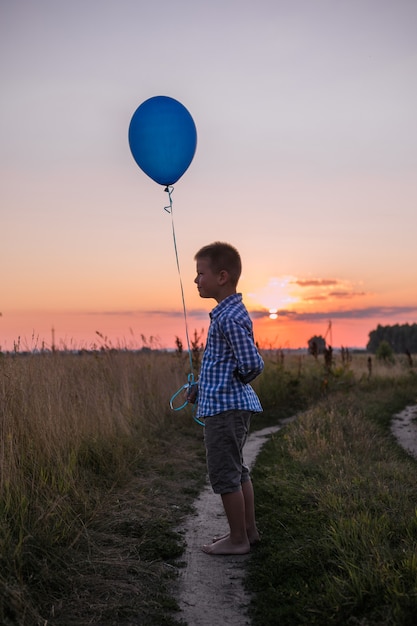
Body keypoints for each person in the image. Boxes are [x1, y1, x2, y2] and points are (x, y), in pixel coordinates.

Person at [189, 242, 264, 555]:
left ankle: (237, 540)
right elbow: (225, 363)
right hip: (228, 406)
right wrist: (202, 389)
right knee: (237, 470)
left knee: (223, 472)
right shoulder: (227, 313)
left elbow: (252, 362)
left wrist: (231, 386)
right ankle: (248, 532)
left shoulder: (227, 318)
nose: (196, 281)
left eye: (200, 274)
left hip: (226, 410)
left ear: (221, 276)